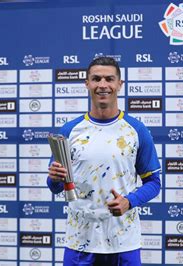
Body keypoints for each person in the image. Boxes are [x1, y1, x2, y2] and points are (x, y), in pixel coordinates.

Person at [47, 56, 161, 265]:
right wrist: (53, 178)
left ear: (119, 84)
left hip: (124, 241)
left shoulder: (136, 130)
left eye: (109, 79)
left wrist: (129, 201)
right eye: (96, 79)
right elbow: (55, 187)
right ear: (87, 83)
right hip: (79, 241)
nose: (102, 85)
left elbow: (154, 182)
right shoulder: (69, 131)